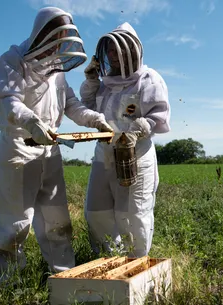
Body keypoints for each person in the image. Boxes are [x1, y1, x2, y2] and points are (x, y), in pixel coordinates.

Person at [0, 7, 114, 287]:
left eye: (62, 41)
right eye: (56, 39)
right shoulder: (11, 62)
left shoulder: (57, 71)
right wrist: (30, 121)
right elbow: (7, 100)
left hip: (49, 151)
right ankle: (4, 285)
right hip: (17, 149)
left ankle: (64, 278)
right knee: (14, 221)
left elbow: (71, 105)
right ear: (43, 34)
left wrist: (95, 119)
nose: (58, 46)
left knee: (56, 218)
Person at [79, 22, 171, 257]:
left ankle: (137, 265)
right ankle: (110, 260)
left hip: (135, 155)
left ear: (132, 50)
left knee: (133, 215)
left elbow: (158, 114)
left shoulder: (149, 79)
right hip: (104, 154)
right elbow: (89, 108)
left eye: (115, 49)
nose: (112, 54)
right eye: (108, 50)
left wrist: (137, 130)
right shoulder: (106, 85)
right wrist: (91, 82)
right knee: (96, 212)